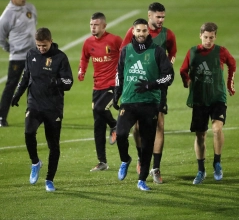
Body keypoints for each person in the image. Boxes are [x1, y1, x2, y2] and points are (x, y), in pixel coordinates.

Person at [113, 18, 174, 191]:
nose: (141, 34)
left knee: (147, 143)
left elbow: (169, 76)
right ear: (133, 31)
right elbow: (119, 73)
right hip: (129, 101)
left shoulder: (158, 51)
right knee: (121, 133)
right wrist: (117, 92)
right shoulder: (126, 51)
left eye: (144, 31)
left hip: (150, 103)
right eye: (138, 31)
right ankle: (125, 159)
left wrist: (151, 85)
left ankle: (142, 179)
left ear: (148, 32)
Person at [11, 27, 73, 192]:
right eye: (38, 45)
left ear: (50, 41)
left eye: (44, 45)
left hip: (53, 108)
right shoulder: (31, 54)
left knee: (53, 145)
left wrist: (58, 82)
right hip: (35, 104)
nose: (41, 48)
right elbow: (26, 76)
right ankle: (35, 162)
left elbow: (69, 82)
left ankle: (49, 180)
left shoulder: (60, 57)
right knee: (28, 132)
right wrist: (17, 94)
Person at [180, 22, 236, 185]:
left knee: (217, 129)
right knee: (200, 135)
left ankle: (217, 163)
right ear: (200, 36)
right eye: (206, 37)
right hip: (200, 99)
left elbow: (232, 64)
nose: (208, 40)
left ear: (215, 37)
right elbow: (183, 70)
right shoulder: (193, 52)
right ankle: (201, 170)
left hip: (217, 97)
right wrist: (187, 81)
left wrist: (229, 84)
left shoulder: (221, 51)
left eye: (211, 37)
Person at [78, 12, 122, 172]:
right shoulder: (88, 43)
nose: (93, 27)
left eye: (96, 25)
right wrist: (81, 71)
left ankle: (115, 125)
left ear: (104, 26)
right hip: (97, 87)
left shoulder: (115, 40)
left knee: (99, 108)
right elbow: (84, 58)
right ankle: (102, 162)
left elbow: (126, 53)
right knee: (98, 126)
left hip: (113, 85)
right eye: (91, 25)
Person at [0, 0, 37, 127]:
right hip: (18, 57)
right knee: (11, 86)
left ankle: (35, 116)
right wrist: (12, 49)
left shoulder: (30, 8)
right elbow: (1, 38)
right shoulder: (7, 16)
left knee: (35, 85)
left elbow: (34, 27)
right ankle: (2, 117)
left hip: (33, 55)